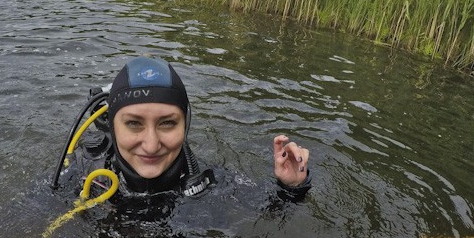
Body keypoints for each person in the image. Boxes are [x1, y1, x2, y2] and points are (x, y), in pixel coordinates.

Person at [54, 56, 312, 203]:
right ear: (112, 125)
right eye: (134, 123)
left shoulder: (211, 182)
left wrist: (291, 188)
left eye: (167, 123)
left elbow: (265, 218)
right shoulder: (79, 173)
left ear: (186, 124)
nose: (152, 145)